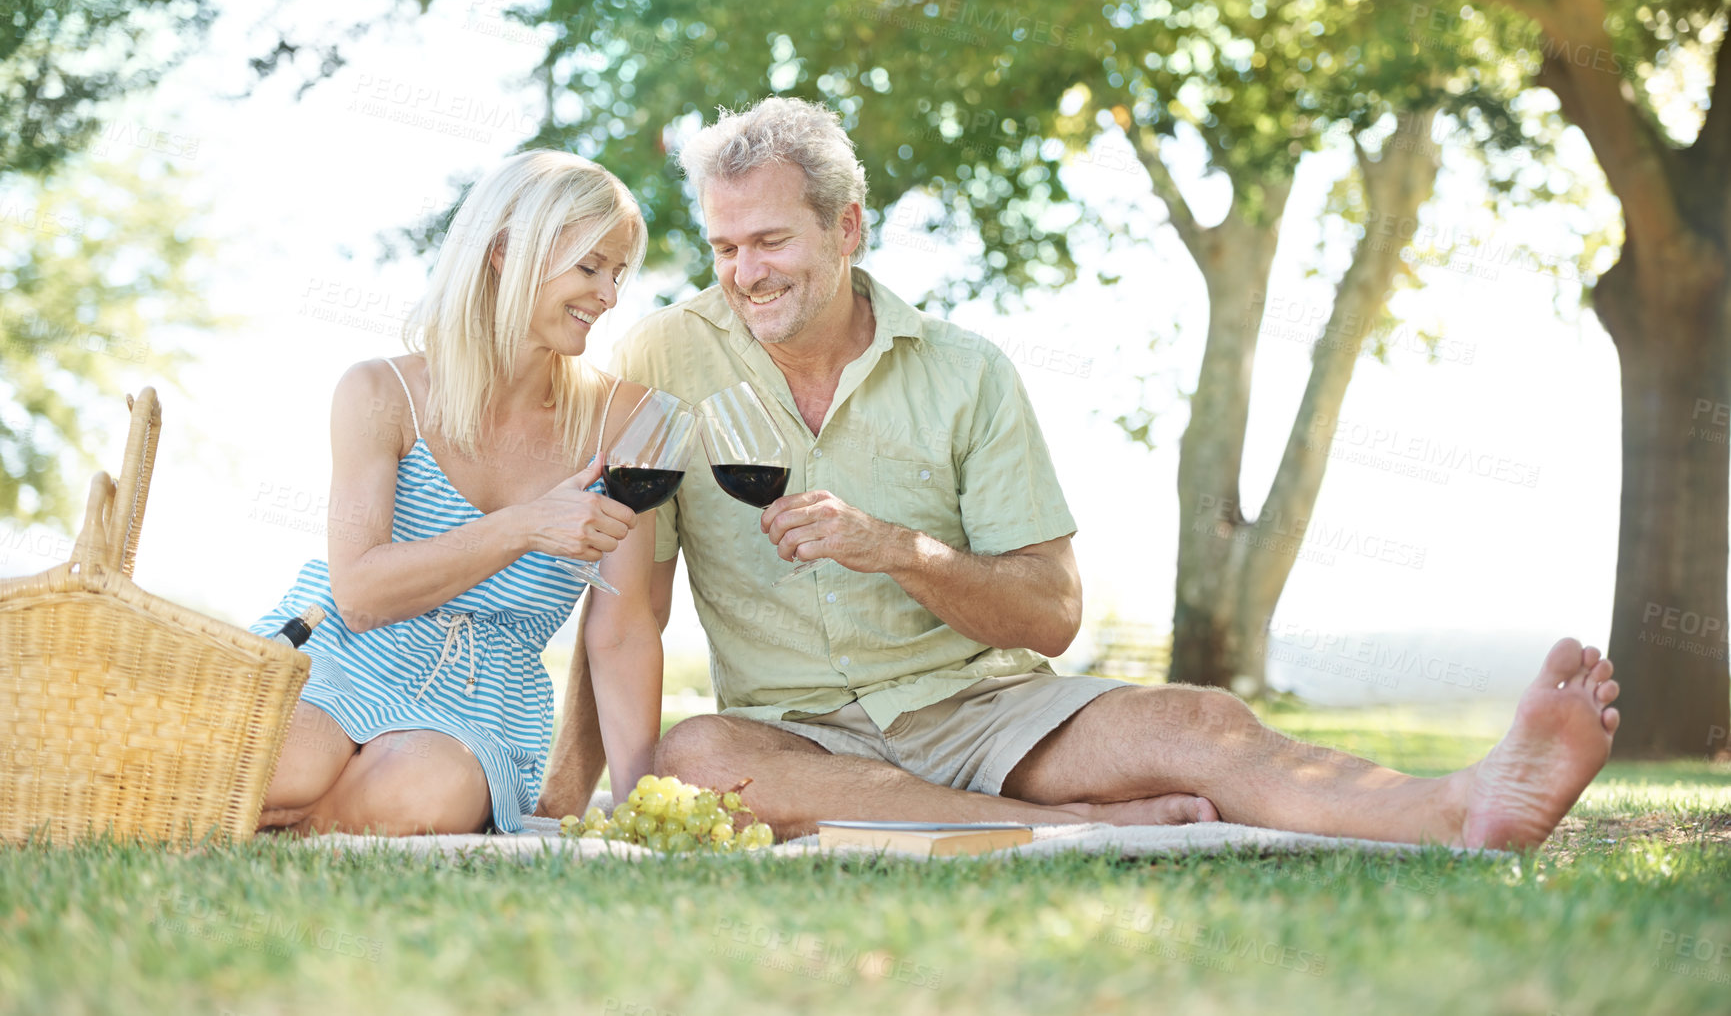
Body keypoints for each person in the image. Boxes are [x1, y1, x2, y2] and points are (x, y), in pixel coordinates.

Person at [536, 98, 1620, 852]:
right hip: (795, 736)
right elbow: (624, 606)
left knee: (1198, 725)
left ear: (847, 227)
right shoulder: (663, 360)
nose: (743, 275)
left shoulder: (967, 374)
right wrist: (580, 793)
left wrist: (898, 551)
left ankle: (1467, 802)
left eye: (769, 242)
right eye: (724, 248)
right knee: (695, 753)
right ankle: (1051, 833)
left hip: (982, 711)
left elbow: (1051, 616)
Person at [251, 150, 666, 836]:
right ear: (505, 252)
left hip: (480, 699)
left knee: (419, 793)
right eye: (590, 267)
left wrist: (639, 805)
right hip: (342, 654)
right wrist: (524, 525)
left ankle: (265, 827)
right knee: (285, 765)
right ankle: (277, 810)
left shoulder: (625, 420)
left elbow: (620, 629)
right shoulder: (380, 393)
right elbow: (358, 593)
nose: (610, 295)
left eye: (618, 273)